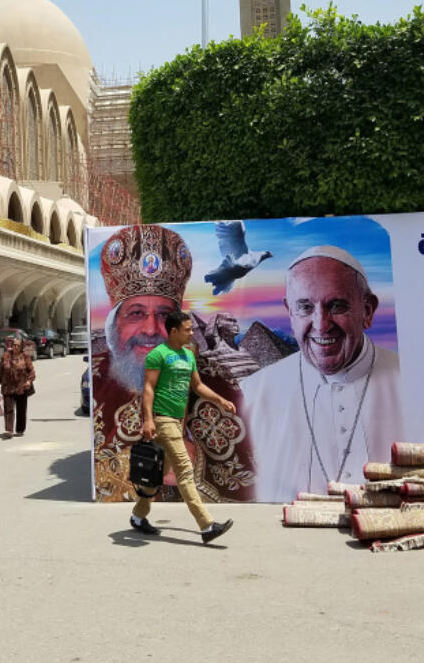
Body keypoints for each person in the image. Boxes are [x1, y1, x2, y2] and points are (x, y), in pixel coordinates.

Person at [90, 224, 253, 502]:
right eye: (136, 313)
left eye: (164, 314)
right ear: (115, 323)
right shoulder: (96, 378)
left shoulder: (220, 380)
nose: (152, 329)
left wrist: (196, 460)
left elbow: (248, 473)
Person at [239, 246, 403, 499]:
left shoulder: (414, 383)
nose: (321, 325)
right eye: (305, 307)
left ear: (367, 311)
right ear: (290, 312)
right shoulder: (251, 395)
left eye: (336, 306)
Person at [130, 310, 234, 545]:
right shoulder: (158, 355)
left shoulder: (188, 356)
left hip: (178, 421)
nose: (191, 333)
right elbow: (148, 388)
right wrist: (148, 419)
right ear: (174, 331)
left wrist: (221, 400)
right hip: (163, 420)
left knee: (155, 476)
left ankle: (138, 516)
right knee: (185, 472)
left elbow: (197, 386)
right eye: (187, 329)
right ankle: (207, 526)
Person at [0, 338, 35, 438]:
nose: (15, 347)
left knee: (21, 409)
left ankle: (20, 429)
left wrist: (29, 381)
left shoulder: (25, 357)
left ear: (21, 347)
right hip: (8, 387)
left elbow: (32, 371)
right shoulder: (6, 356)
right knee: (8, 409)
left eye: (17, 345)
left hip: (21, 387)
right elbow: (0, 371)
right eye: (14, 345)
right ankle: (9, 430)